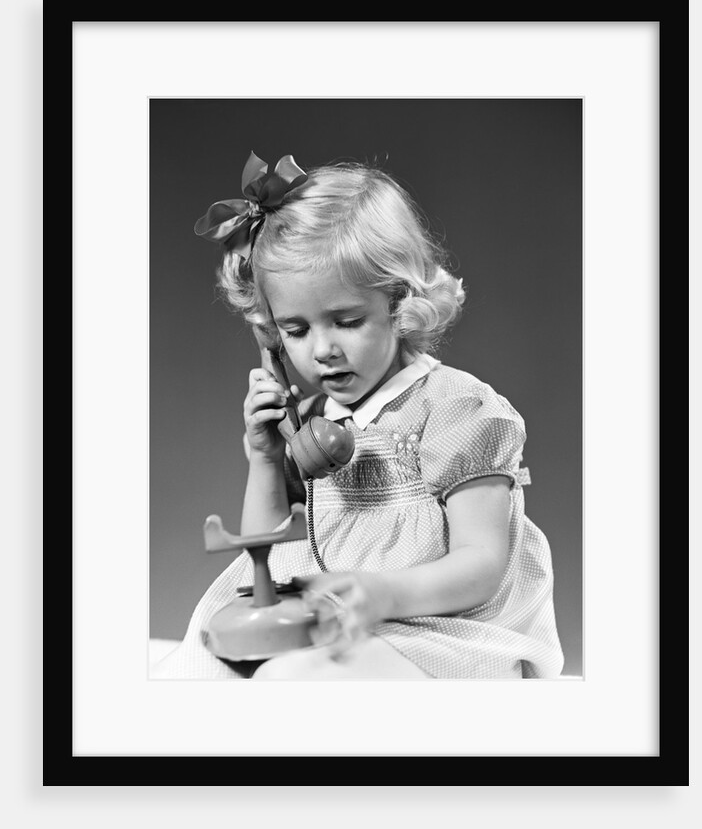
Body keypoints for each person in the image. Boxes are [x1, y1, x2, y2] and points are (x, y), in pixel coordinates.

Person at [152, 151, 564, 680]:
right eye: (295, 331)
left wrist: (381, 593)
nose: (322, 350)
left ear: (399, 302)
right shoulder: (310, 423)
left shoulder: (456, 409)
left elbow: (481, 565)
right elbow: (266, 557)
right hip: (341, 627)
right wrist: (265, 458)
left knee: (289, 680)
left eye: (346, 321)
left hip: (441, 635)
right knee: (197, 671)